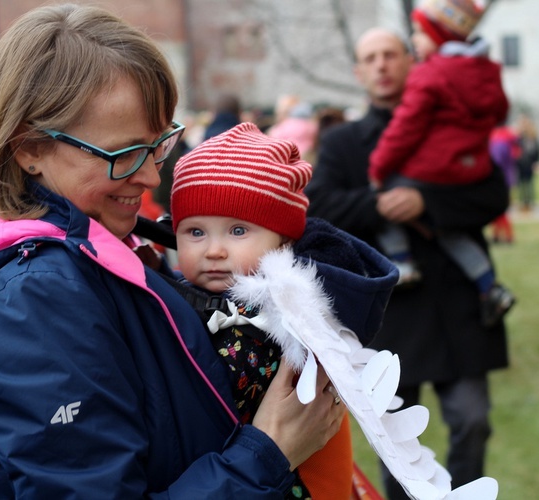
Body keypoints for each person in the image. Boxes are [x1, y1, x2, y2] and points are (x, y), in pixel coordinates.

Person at [0, 4, 346, 497]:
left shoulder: (107, 248)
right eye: (122, 155)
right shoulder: (32, 304)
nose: (149, 177)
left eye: (159, 144)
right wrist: (268, 452)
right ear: (29, 148)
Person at [305, 27, 510, 500]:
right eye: (370, 57)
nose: (381, 65)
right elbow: (321, 207)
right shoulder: (343, 144)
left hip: (458, 304)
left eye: (390, 54)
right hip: (390, 315)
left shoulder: (454, 129)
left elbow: (492, 194)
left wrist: (424, 201)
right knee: (397, 442)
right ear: (359, 72)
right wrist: (379, 206)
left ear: (412, 62)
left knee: (472, 420)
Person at [169, 122, 398, 498]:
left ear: (283, 242)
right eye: (195, 232)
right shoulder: (178, 293)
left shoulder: (284, 314)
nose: (213, 250)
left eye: (238, 231)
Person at [367, 0, 514, 325]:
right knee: (448, 230)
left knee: (384, 190)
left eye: (420, 32)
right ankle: (488, 285)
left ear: (440, 34)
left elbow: (404, 129)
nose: (415, 40)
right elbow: (501, 111)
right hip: (470, 167)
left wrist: (378, 167)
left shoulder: (429, 74)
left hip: (434, 168)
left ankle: (402, 261)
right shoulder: (486, 70)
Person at [515, 114, 539, 212]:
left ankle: (529, 203)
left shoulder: (532, 137)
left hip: (529, 163)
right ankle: (523, 203)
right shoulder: (518, 137)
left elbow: (537, 151)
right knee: (521, 185)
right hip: (520, 163)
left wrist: (536, 162)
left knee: (529, 184)